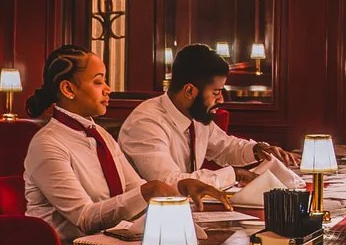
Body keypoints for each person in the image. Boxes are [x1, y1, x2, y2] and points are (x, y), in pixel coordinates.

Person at [119, 43, 287, 200]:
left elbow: (225, 147)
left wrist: (256, 150)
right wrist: (235, 175)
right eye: (216, 93)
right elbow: (170, 183)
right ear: (189, 90)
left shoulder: (195, 116)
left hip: (186, 208)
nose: (221, 100)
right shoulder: (145, 123)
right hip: (149, 215)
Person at [22, 46, 150, 245]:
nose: (108, 89)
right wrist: (148, 193)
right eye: (98, 82)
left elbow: (134, 189)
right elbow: (85, 218)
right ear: (68, 89)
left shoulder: (99, 134)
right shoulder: (47, 144)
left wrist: (175, 191)